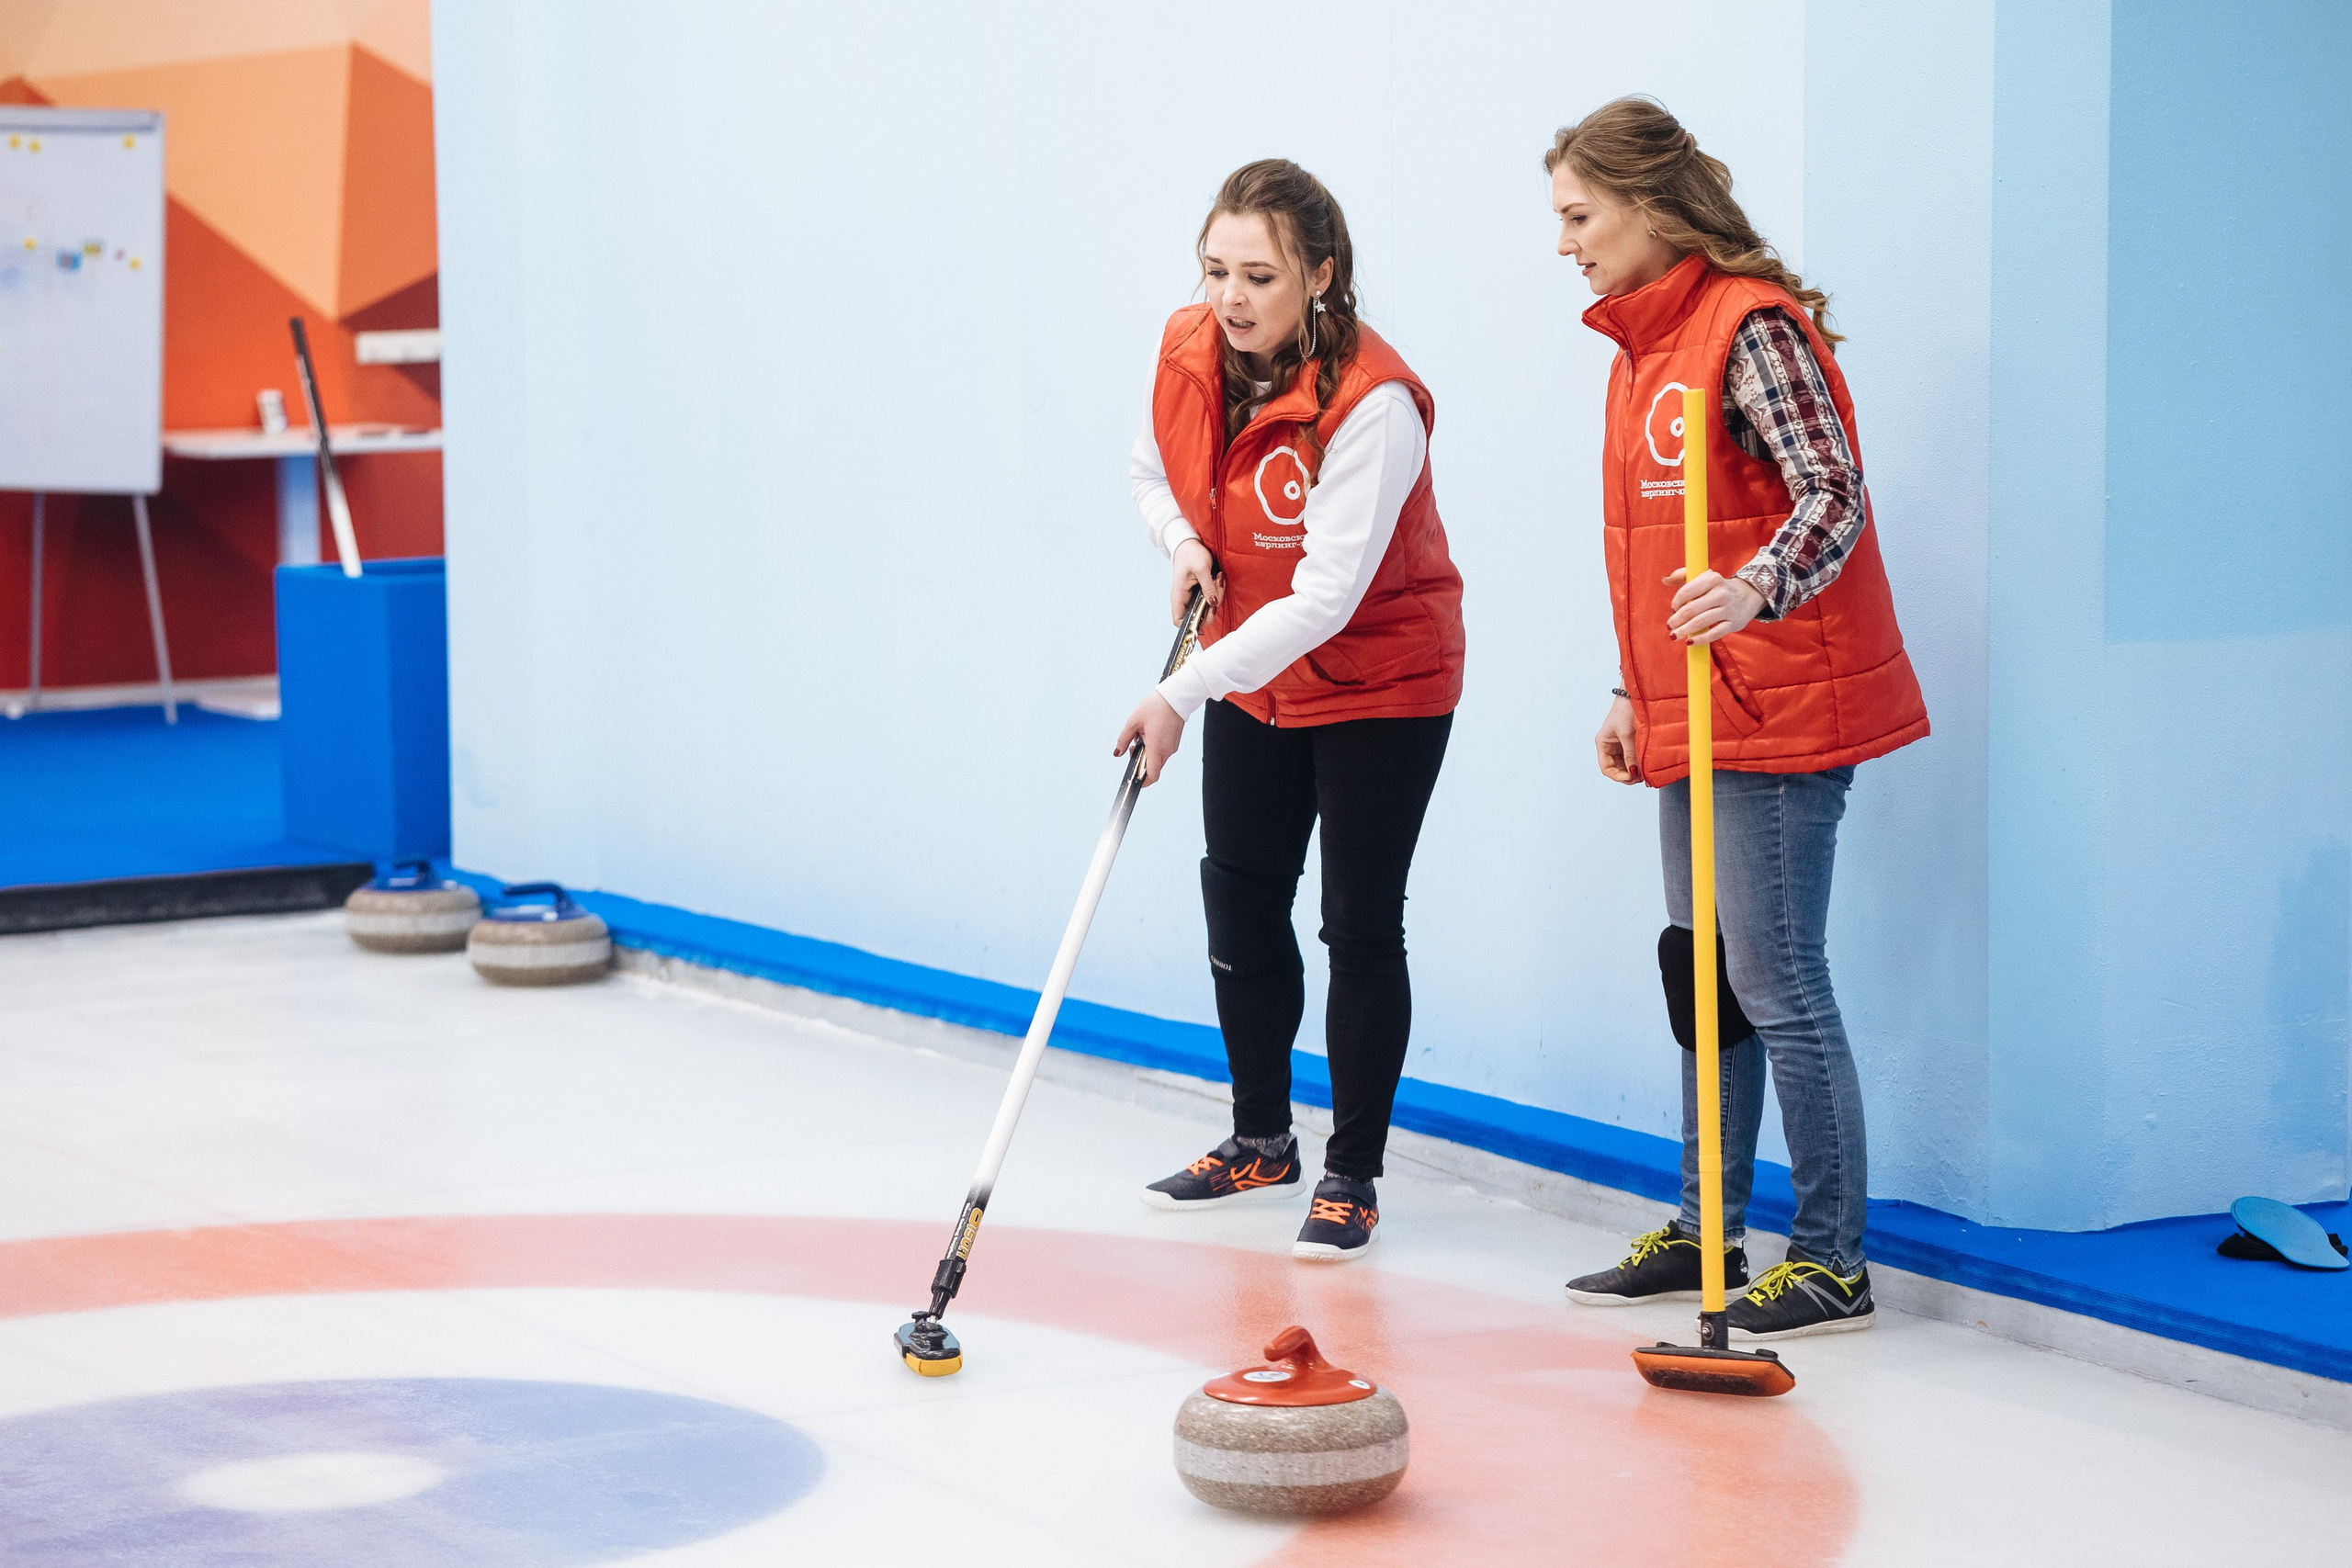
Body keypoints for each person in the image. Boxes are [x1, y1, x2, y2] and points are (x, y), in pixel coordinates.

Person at [1548, 99, 1928, 1338]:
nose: (1565, 242)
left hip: (1776, 705)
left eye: (1579, 215)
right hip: (1692, 705)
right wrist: (1630, 684)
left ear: (1650, 206)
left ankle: (1830, 1257)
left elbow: (1833, 491)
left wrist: (1758, 585)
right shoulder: (1641, 350)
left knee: (1776, 979)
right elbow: (1658, 548)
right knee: (1702, 981)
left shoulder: (1749, 327)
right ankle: (1709, 1227)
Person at [1115, 159, 1466, 1262]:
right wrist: (1186, 546)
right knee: (1241, 897)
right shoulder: (1189, 352)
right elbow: (1151, 469)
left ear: (1320, 274)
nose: (1230, 297)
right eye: (1214, 269)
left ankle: (1350, 1175)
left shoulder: (1375, 404)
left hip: (1380, 687)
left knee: (1359, 925)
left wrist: (1179, 688)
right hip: (1253, 679)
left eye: (1258, 275)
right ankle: (1259, 1137)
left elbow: (1325, 600)